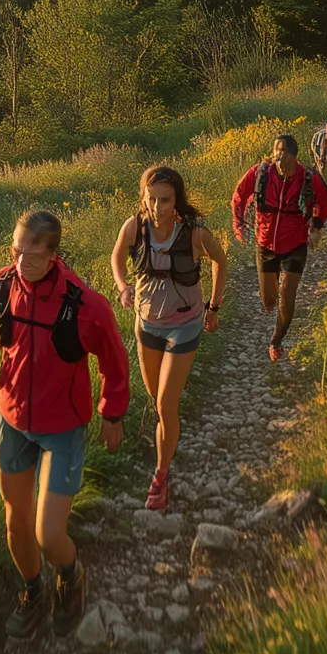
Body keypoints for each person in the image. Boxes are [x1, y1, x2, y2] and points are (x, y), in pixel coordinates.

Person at [0, 209, 130, 640]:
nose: (21, 261)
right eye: (16, 250)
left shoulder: (85, 304)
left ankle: (70, 575)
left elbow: (114, 361)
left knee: (49, 535)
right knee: (16, 523)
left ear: (54, 254)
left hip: (63, 426)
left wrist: (112, 414)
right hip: (12, 420)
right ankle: (32, 591)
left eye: (32, 253)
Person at [108, 164, 229, 511]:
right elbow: (117, 256)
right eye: (152, 199)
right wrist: (122, 287)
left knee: (165, 405)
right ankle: (168, 437)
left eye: (165, 200)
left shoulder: (194, 234)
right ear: (143, 198)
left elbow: (220, 261)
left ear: (177, 200)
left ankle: (160, 476)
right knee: (157, 402)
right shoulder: (134, 227)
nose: (158, 207)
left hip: (185, 325)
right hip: (146, 325)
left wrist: (213, 308)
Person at [231, 131, 327, 364]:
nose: (277, 155)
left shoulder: (308, 178)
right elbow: (239, 195)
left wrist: (316, 226)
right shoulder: (261, 173)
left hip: (296, 243)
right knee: (269, 299)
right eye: (275, 150)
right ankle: (271, 302)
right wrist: (239, 225)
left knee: (288, 291)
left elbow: (325, 202)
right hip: (265, 243)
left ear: (294, 156)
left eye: (282, 151)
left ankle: (276, 341)